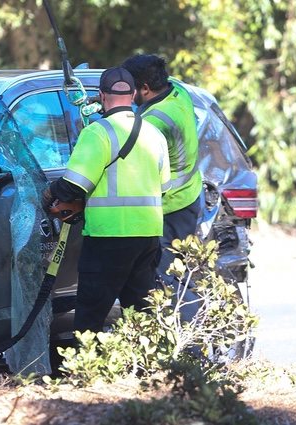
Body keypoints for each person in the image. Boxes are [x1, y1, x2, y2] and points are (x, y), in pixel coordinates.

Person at [43, 67, 171, 333]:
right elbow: (165, 186)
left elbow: (73, 186)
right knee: (142, 316)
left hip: (108, 238)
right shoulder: (154, 134)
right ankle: (150, 371)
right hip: (147, 236)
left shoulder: (98, 133)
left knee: (90, 316)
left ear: (101, 95)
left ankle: (86, 373)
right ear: (134, 94)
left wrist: (49, 193)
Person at [121, 54, 203, 313]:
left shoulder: (155, 121)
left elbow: (123, 151)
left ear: (145, 88)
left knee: (169, 279)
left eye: (129, 88)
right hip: (188, 196)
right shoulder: (177, 91)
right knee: (180, 272)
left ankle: (187, 346)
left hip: (171, 205)